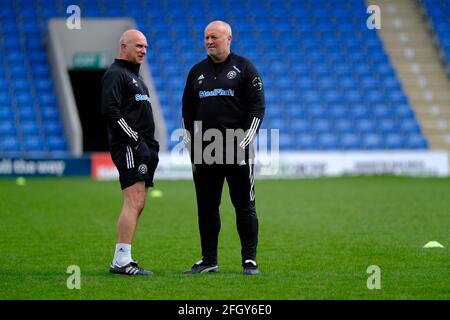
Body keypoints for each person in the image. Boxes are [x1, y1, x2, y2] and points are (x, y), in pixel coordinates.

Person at [182, 21, 265, 275]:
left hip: (237, 148)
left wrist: (243, 143)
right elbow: (187, 111)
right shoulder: (196, 71)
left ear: (229, 38)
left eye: (214, 37)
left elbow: (257, 108)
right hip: (206, 151)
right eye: (206, 37)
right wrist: (193, 145)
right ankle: (209, 260)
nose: (209, 42)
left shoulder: (245, 68)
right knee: (207, 208)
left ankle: (249, 260)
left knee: (244, 205)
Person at [101, 29, 159, 276]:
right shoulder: (116, 74)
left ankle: (123, 257)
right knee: (133, 200)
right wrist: (135, 140)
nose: (143, 50)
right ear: (123, 46)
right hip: (130, 146)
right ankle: (121, 261)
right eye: (138, 46)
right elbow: (111, 111)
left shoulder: (135, 77)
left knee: (139, 201)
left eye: (145, 46)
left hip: (143, 147)